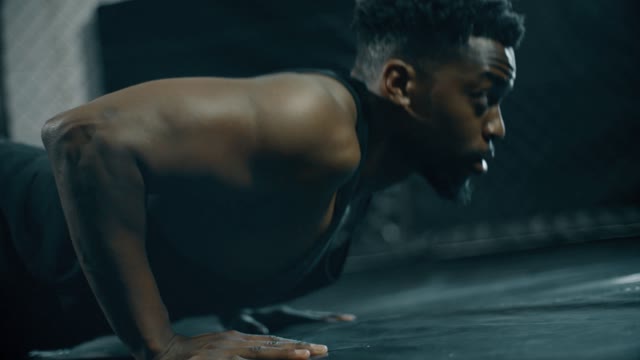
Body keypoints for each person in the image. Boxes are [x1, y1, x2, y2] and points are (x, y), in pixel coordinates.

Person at [0, 0, 525, 359]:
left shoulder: (366, 168)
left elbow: (210, 216)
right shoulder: (318, 122)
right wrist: (160, 345)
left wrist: (238, 301)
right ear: (400, 84)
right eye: (483, 99)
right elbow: (82, 137)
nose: (497, 126)